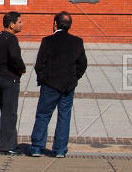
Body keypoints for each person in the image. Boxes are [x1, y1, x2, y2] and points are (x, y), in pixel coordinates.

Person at [28, 11, 88, 157]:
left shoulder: (47, 41)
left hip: (50, 84)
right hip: (68, 85)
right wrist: (75, 78)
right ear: (70, 25)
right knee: (64, 116)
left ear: (55, 24)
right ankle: (60, 149)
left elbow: (39, 64)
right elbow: (82, 64)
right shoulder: (77, 41)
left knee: (43, 114)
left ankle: (37, 147)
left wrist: (42, 78)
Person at [0, 11, 27, 155]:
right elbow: (15, 57)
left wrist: (0, 69)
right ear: (11, 25)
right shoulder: (11, 39)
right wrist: (21, 68)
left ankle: (12, 142)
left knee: (5, 111)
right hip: (10, 78)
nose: (21, 24)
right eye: (19, 22)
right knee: (10, 113)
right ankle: (5, 146)